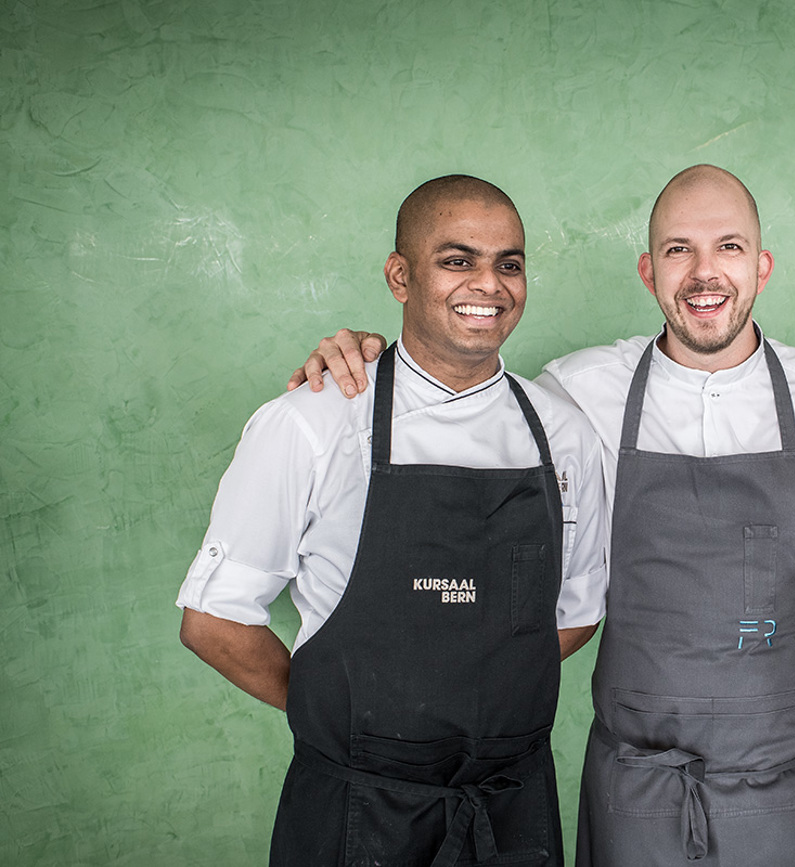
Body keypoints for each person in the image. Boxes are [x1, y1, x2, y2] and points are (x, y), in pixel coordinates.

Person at [290, 166, 795, 866]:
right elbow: (463, 383)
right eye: (680, 249)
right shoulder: (576, 394)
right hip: (635, 785)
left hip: (784, 783)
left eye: (729, 248)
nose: (704, 272)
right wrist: (370, 352)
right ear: (649, 270)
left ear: (763, 266)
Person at [177, 175, 608, 866]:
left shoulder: (564, 434)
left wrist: (466, 692)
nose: (489, 284)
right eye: (457, 259)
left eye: (510, 263)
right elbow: (214, 620)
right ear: (400, 275)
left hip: (509, 810)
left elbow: (576, 609)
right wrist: (340, 717)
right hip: (354, 809)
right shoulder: (311, 422)